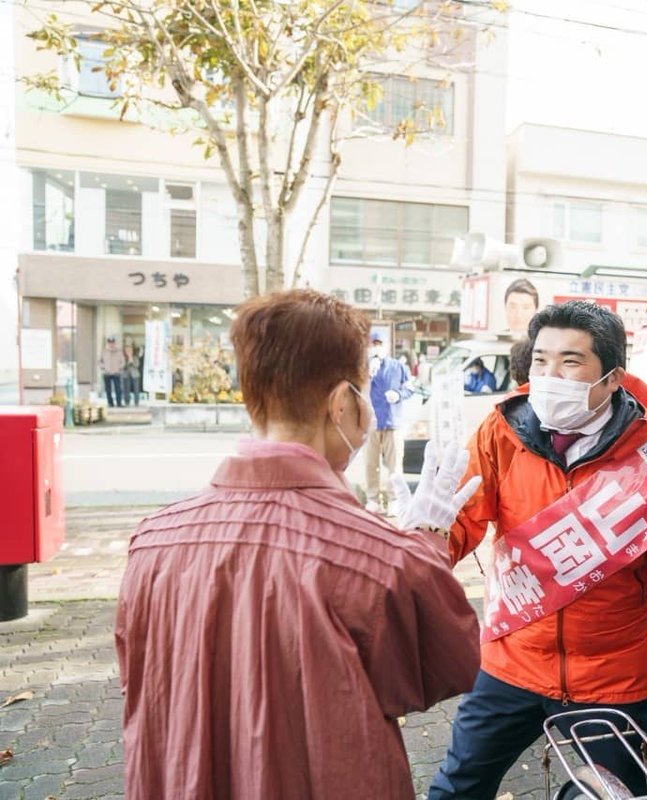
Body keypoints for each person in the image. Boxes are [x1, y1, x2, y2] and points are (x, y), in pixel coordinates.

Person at [115, 289, 481, 799]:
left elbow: (137, 678)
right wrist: (427, 542)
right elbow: (443, 664)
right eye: (364, 393)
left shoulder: (152, 541)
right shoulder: (374, 557)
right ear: (342, 402)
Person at [429, 300, 647, 799]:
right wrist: (425, 540)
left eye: (570, 361)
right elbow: (461, 521)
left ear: (612, 378)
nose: (549, 376)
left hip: (611, 675)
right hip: (511, 660)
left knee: (628, 794)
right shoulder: (501, 432)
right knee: (457, 788)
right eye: (541, 360)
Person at [366, 333, 411, 514]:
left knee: (395, 466)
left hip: (393, 422)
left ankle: (394, 500)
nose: (376, 347)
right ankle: (373, 499)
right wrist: (366, 374)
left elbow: (410, 387)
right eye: (373, 344)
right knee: (371, 464)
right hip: (371, 423)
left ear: (386, 346)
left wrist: (398, 395)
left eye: (379, 343)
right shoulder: (364, 367)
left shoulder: (397, 366)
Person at [100, 335, 126, 408]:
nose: (111, 344)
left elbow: (123, 361)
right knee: (108, 389)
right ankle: (110, 403)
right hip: (107, 373)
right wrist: (104, 367)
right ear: (108, 343)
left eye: (112, 342)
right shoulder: (104, 351)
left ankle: (119, 403)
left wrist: (119, 368)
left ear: (114, 343)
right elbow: (99, 361)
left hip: (116, 373)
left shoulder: (119, 351)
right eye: (110, 342)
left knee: (118, 389)